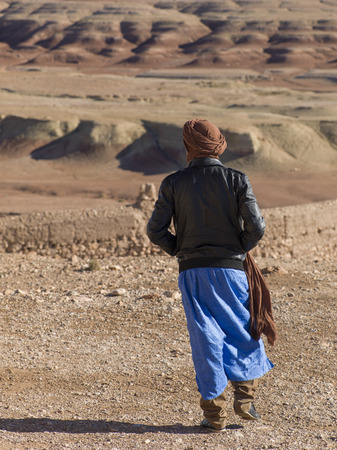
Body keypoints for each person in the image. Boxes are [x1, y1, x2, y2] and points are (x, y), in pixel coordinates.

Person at [147, 118, 275, 432]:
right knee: (241, 327)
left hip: (192, 273)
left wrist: (179, 249)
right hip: (231, 269)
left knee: (205, 337)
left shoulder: (173, 182)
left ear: (188, 147)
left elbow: (155, 230)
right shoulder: (236, 179)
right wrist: (239, 249)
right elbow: (256, 227)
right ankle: (245, 398)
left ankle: (213, 414)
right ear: (218, 147)